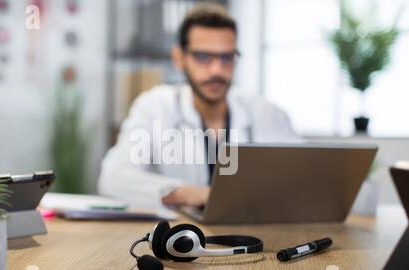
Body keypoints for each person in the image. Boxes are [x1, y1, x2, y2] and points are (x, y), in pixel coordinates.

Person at [98, 4, 300, 209]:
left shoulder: (268, 113)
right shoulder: (154, 107)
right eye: (203, 57)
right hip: (181, 235)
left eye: (226, 58)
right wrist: (187, 194)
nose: (216, 70)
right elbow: (113, 178)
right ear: (179, 58)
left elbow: (302, 180)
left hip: (255, 231)